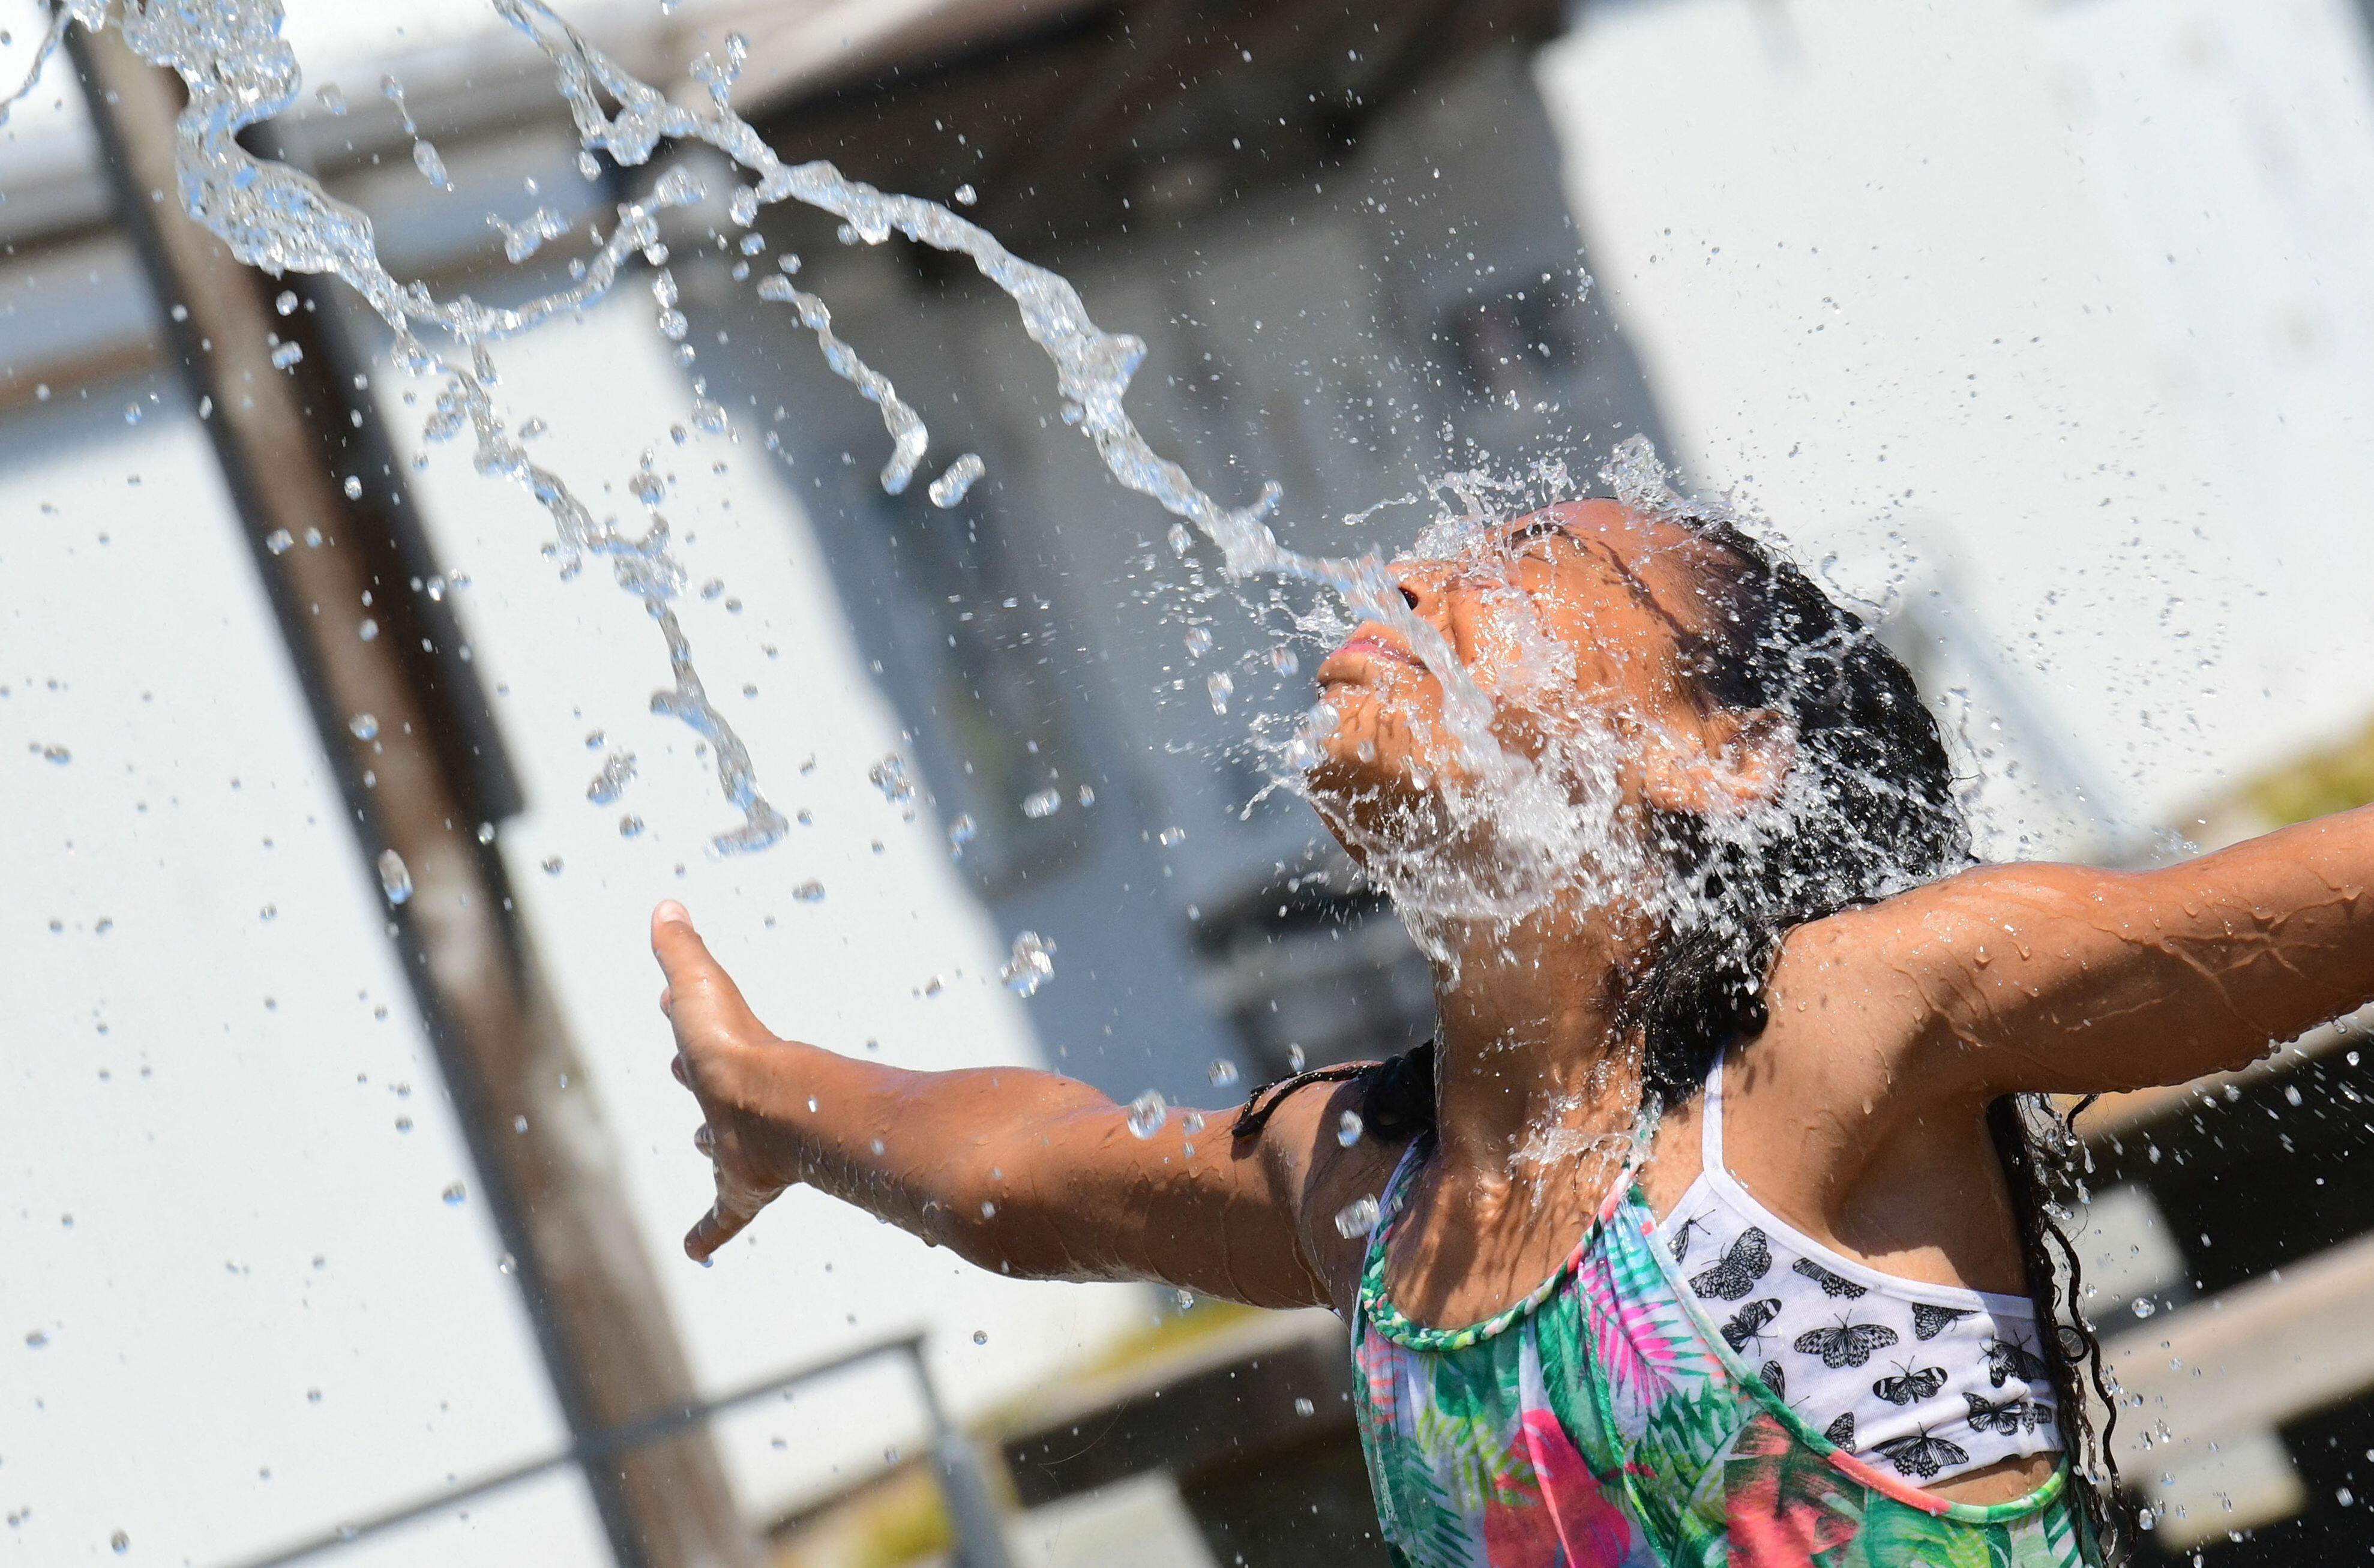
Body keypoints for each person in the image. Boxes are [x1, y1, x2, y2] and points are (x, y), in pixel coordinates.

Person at [651, 498, 2374, 1565]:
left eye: (1529, 563)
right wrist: (769, 1095)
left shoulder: (1829, 1041)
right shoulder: (1371, 1189)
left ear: (1722, 756)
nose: (1408, 579)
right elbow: (1029, 1178)